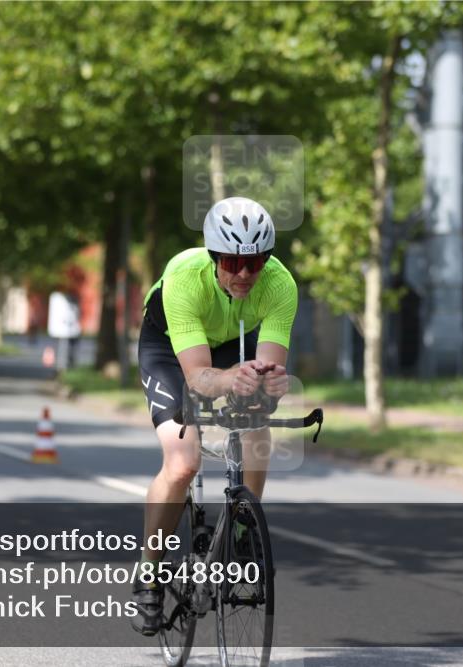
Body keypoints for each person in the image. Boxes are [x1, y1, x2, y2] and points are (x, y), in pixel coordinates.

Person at [131, 197, 296, 636]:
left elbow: (270, 366)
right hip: (170, 348)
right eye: (232, 261)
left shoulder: (280, 284)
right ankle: (148, 572)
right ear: (213, 255)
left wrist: (268, 385)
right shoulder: (185, 277)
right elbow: (200, 378)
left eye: (255, 262)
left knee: (257, 417)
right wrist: (230, 382)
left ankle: (243, 537)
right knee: (183, 462)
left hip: (230, 342)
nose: (244, 274)